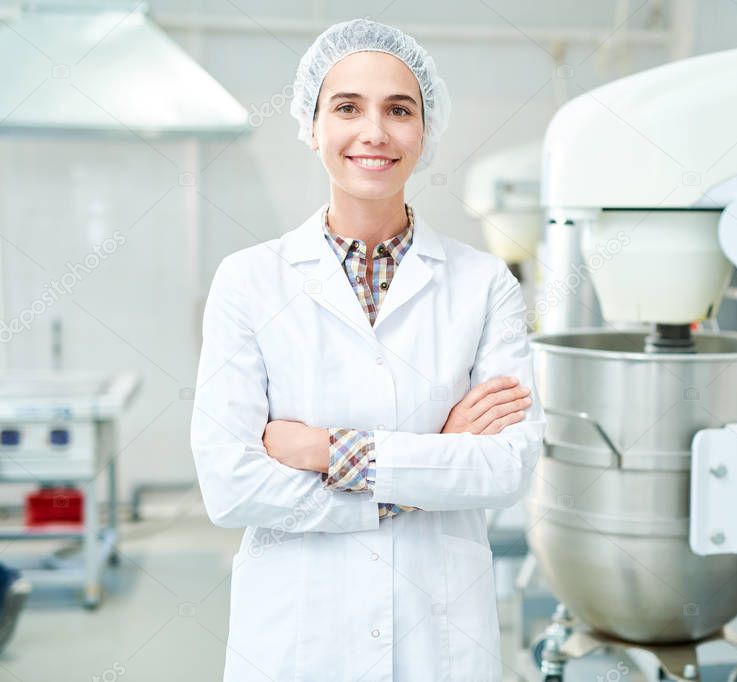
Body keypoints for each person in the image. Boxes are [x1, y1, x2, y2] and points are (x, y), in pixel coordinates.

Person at [190, 17, 545, 682]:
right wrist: (428, 466)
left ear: (425, 128)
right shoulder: (250, 279)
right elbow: (230, 485)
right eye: (347, 107)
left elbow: (505, 468)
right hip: (298, 638)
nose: (374, 132)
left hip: (438, 637)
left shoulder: (482, 282)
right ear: (313, 124)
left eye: (398, 109)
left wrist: (327, 451)